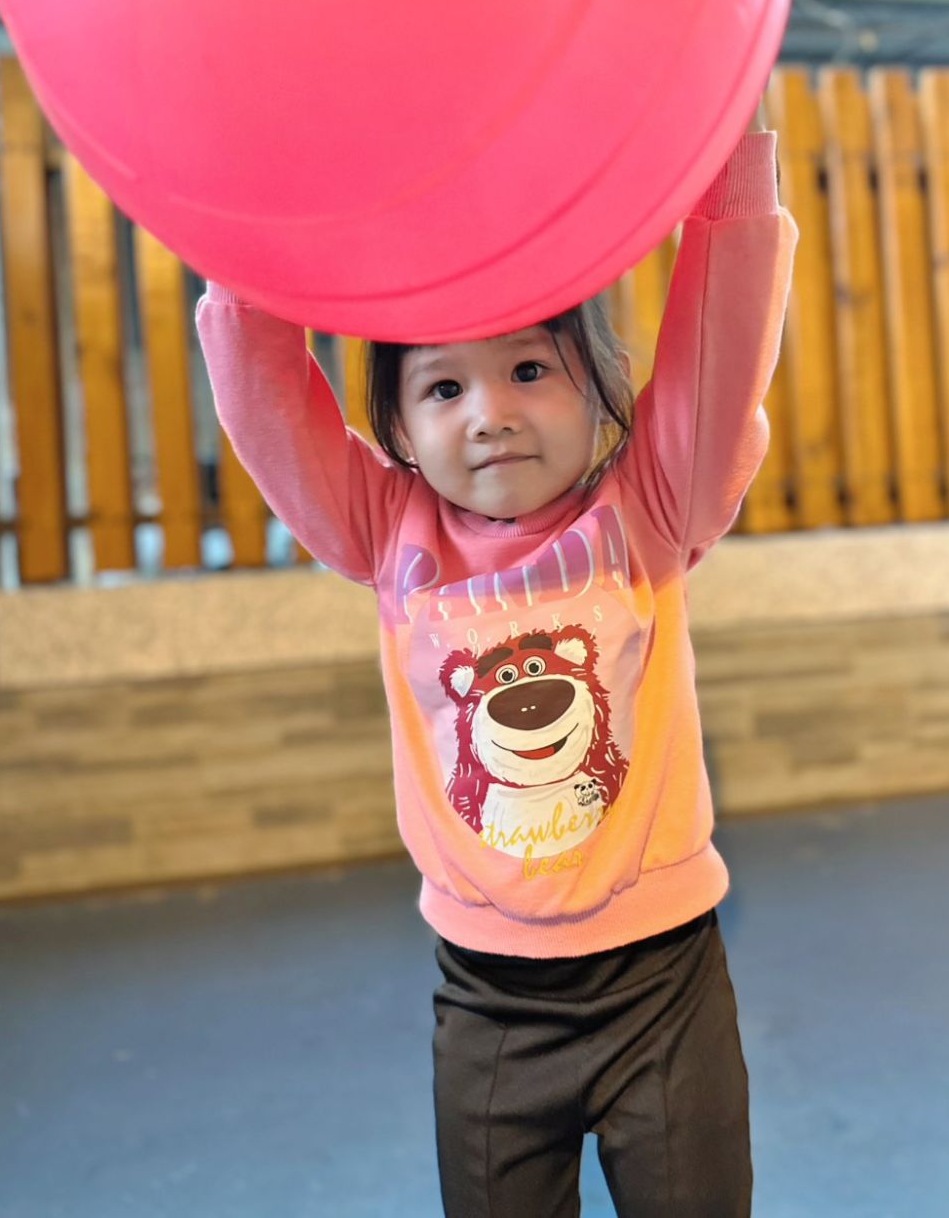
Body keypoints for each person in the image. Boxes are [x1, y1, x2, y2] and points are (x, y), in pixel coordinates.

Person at [196, 108, 796, 1217]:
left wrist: (725, 140)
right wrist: (255, 203)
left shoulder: (653, 506)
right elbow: (262, 382)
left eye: (528, 368)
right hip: (489, 1003)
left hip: (664, 985)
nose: (491, 416)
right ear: (398, 426)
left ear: (597, 381)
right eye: (444, 389)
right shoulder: (386, 529)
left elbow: (723, 329)